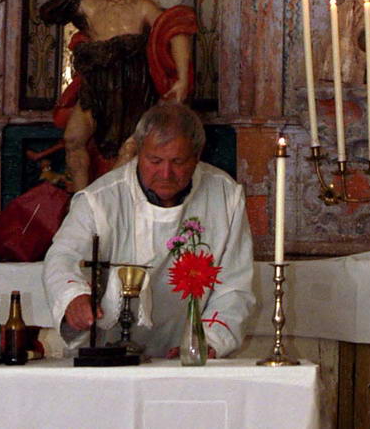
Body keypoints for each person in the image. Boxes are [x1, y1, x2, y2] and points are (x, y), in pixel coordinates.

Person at [43, 103, 256, 358]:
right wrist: (73, 296)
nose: (165, 173)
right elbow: (63, 256)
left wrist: (208, 341)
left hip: (188, 357)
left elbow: (234, 285)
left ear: (197, 156)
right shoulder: (100, 199)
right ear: (138, 152)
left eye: (178, 161)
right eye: (155, 160)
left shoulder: (225, 196)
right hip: (106, 356)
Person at [41, 0, 193, 191]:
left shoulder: (142, 7)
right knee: (74, 139)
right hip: (95, 87)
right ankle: (80, 203)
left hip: (133, 88)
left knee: (129, 150)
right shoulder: (88, 4)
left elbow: (177, 29)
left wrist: (181, 78)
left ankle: (106, 203)